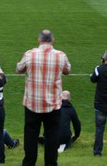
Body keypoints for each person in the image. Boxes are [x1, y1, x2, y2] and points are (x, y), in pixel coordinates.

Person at [16, 29, 71, 166]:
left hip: (33, 103)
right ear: (52, 40)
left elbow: (19, 69)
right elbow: (67, 70)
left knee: (30, 135)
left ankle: (29, 163)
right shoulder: (60, 55)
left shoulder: (30, 54)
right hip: (52, 104)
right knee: (52, 136)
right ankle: (51, 163)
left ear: (39, 40)